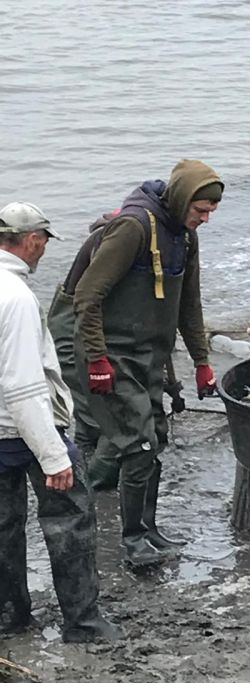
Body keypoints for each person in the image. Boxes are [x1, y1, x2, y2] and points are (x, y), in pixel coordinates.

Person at [73, 159, 223, 567]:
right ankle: (133, 540)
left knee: (155, 436)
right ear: (182, 198)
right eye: (201, 210)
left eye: (211, 211)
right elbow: (86, 296)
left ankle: (148, 528)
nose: (205, 219)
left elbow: (189, 304)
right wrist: (97, 359)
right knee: (138, 445)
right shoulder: (133, 228)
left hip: (150, 357)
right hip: (112, 355)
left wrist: (202, 362)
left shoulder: (186, 238)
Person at [0, 201, 120, 642]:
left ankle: (10, 616)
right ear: (33, 241)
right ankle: (83, 623)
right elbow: (23, 386)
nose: (45, 250)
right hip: (25, 429)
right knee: (70, 520)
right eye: (45, 241)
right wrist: (53, 455)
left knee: (3, 527)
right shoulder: (16, 298)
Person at [48, 212, 186, 492]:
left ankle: (88, 474)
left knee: (96, 419)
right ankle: (89, 487)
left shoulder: (132, 245)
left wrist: (168, 380)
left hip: (84, 329)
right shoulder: (115, 246)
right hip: (73, 333)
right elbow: (88, 309)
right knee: (110, 421)